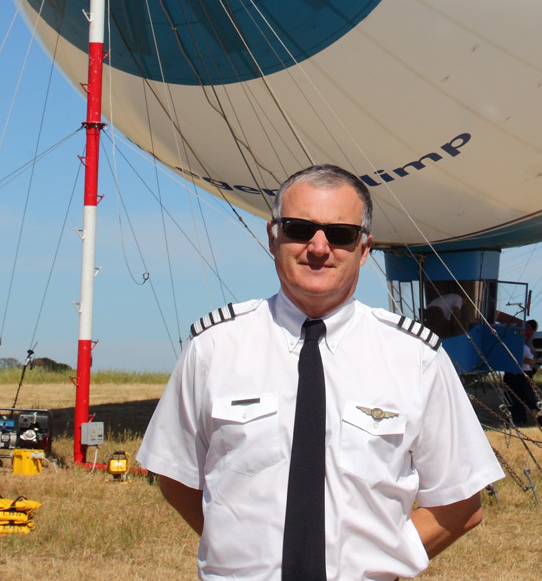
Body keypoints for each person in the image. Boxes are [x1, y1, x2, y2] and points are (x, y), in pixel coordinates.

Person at [138, 164, 504, 581]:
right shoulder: (214, 348)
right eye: (298, 228)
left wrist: (383, 564)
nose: (318, 247)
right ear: (272, 237)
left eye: (340, 234)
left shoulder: (415, 357)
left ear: (364, 249)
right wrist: (239, 554)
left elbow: (460, 503)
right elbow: (176, 477)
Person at [502, 319, 538, 425]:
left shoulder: (517, 347)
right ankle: (517, 419)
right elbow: (531, 360)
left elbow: (529, 360)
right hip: (519, 374)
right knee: (519, 397)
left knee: (518, 397)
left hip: (516, 374)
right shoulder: (524, 348)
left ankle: (518, 419)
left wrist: (515, 361)